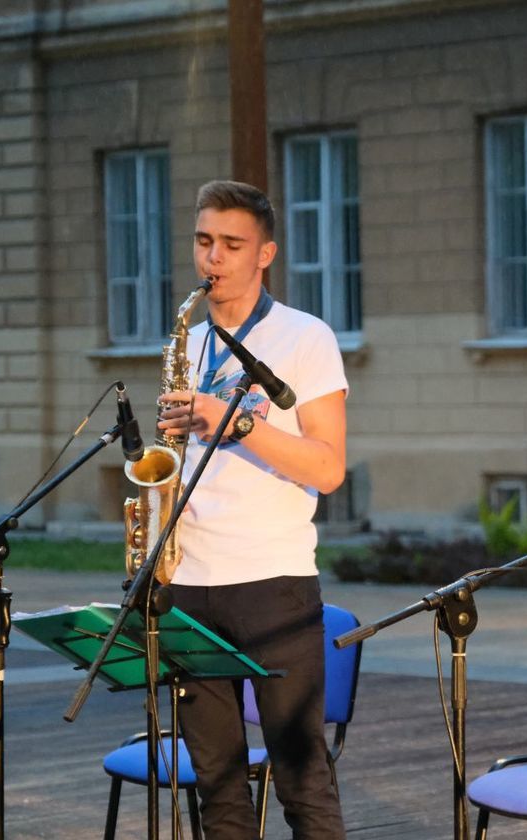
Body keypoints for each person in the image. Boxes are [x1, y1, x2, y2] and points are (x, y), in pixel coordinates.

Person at [157, 179, 349, 839]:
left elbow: (327, 468)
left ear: (264, 254)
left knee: (302, 782)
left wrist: (236, 424)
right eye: (204, 241)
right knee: (217, 791)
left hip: (272, 584)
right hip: (189, 582)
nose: (213, 258)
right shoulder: (192, 343)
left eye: (231, 245)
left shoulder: (305, 337)